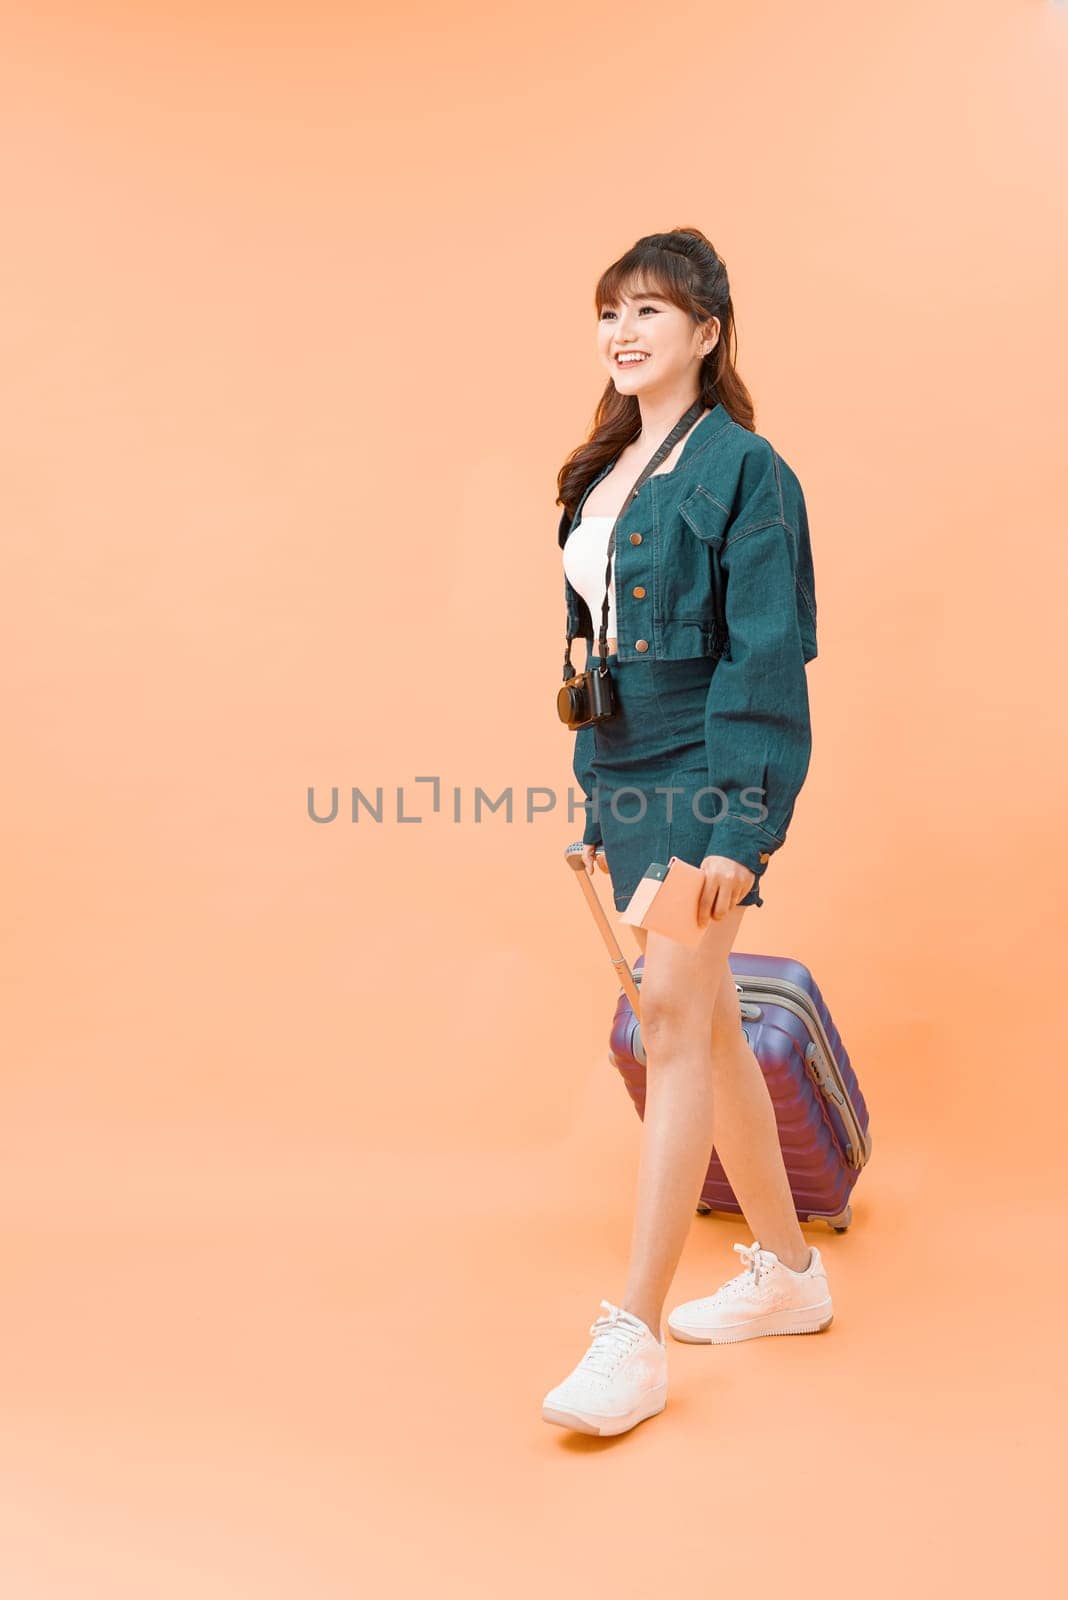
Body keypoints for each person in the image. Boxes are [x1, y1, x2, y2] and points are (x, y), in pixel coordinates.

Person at [542, 227, 833, 1438]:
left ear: (708, 334)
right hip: (623, 769)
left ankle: (636, 1333)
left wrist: (737, 829)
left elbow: (764, 659)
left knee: (668, 1018)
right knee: (706, 1027)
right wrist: (595, 775)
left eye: (652, 312)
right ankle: (790, 1276)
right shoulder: (598, 475)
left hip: (706, 776)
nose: (625, 331)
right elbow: (591, 644)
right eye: (613, 310)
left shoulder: (747, 471)